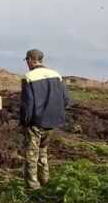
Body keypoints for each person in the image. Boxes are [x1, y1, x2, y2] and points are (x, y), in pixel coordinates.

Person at [19, 49, 70, 190]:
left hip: (36, 122)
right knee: (43, 151)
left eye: (27, 60)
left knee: (31, 154)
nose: (27, 64)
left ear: (30, 59)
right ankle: (45, 180)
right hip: (53, 122)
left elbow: (27, 104)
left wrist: (24, 122)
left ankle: (33, 186)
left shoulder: (29, 77)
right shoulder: (57, 75)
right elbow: (66, 99)